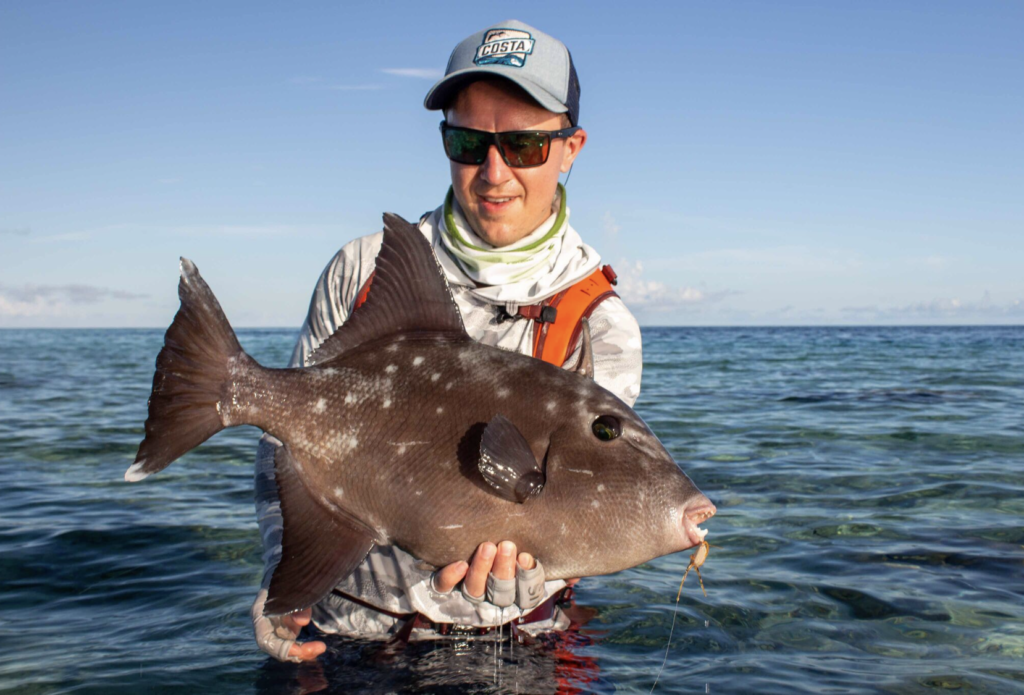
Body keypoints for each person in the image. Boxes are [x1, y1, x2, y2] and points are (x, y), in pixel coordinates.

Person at [251, 19, 643, 662]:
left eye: (523, 146)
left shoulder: (600, 322)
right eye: (467, 141)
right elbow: (288, 436)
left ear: (571, 147)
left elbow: (587, 508)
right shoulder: (363, 270)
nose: (493, 173)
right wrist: (282, 578)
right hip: (345, 634)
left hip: (512, 647)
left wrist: (533, 572)